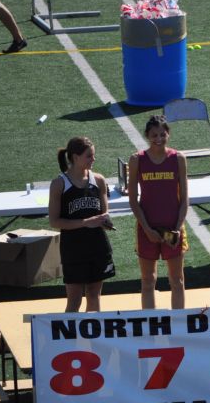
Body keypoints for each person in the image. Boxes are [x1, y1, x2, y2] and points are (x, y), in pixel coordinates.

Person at [128, 115, 189, 309]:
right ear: (147, 135)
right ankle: (150, 326)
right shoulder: (137, 160)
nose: (159, 138)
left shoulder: (178, 158)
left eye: (163, 134)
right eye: (154, 135)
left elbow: (185, 199)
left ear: (168, 134)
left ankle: (179, 325)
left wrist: (177, 229)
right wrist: (146, 228)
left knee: (177, 281)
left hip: (173, 227)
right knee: (147, 281)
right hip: (147, 228)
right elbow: (133, 200)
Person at [48, 137, 115, 312]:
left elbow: (104, 214)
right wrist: (86, 222)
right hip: (73, 248)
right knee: (75, 300)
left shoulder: (99, 180)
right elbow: (54, 221)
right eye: (89, 156)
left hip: (98, 246)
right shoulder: (59, 184)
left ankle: (93, 338)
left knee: (94, 296)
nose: (94, 159)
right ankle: (69, 339)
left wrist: (105, 221)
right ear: (75, 157)